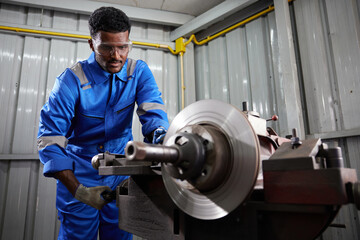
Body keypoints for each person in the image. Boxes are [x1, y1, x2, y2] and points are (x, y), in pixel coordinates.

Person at [37, 6, 169, 240]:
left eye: (123, 47)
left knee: (121, 234)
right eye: (107, 48)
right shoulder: (71, 81)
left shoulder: (138, 72)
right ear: (92, 44)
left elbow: (153, 111)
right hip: (80, 173)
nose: (116, 56)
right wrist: (79, 190)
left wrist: (161, 136)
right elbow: (50, 140)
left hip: (122, 173)